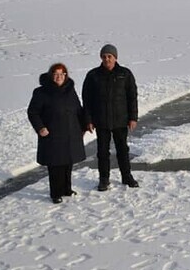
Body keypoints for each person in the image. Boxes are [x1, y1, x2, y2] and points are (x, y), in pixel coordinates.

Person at [27, 63, 88, 204]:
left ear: (66, 75)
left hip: (70, 133)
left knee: (68, 162)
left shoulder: (70, 90)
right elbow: (33, 112)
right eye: (56, 74)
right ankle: (55, 193)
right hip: (52, 134)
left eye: (62, 74)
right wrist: (40, 127)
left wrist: (83, 126)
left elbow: (78, 109)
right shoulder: (41, 92)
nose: (59, 77)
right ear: (51, 75)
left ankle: (67, 189)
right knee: (55, 165)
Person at [82, 44, 139, 191]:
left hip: (121, 120)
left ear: (115, 58)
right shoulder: (93, 75)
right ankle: (104, 179)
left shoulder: (125, 74)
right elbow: (87, 99)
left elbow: (132, 97)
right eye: (104, 56)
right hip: (101, 121)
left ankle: (127, 176)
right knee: (102, 152)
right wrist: (88, 120)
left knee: (122, 150)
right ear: (101, 58)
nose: (107, 59)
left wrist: (133, 117)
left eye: (110, 56)